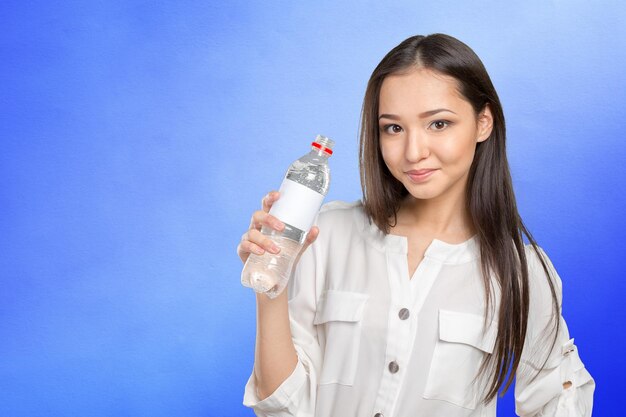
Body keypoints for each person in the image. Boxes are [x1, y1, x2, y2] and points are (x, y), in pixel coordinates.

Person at [237, 33, 595, 417]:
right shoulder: (327, 234)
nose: (413, 152)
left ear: (483, 122)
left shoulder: (521, 274)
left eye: (438, 124)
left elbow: (558, 404)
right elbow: (282, 407)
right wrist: (272, 284)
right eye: (393, 128)